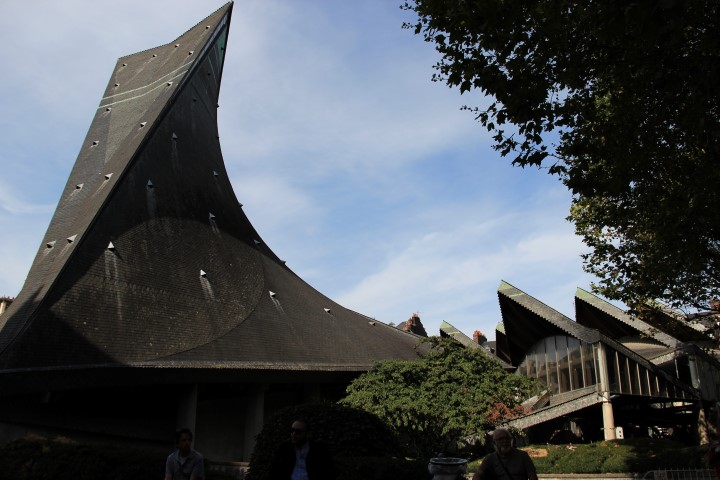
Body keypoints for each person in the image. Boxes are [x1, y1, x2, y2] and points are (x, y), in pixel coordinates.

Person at [269, 419, 336, 480]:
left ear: (307, 434)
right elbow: (275, 470)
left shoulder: (320, 450)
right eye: (292, 431)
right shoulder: (284, 449)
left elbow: (329, 472)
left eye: (298, 432)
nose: (293, 434)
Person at [472, 428, 538, 480]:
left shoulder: (523, 456)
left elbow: (533, 476)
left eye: (507, 438)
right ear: (494, 443)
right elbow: (478, 474)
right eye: (500, 439)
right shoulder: (489, 459)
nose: (505, 441)